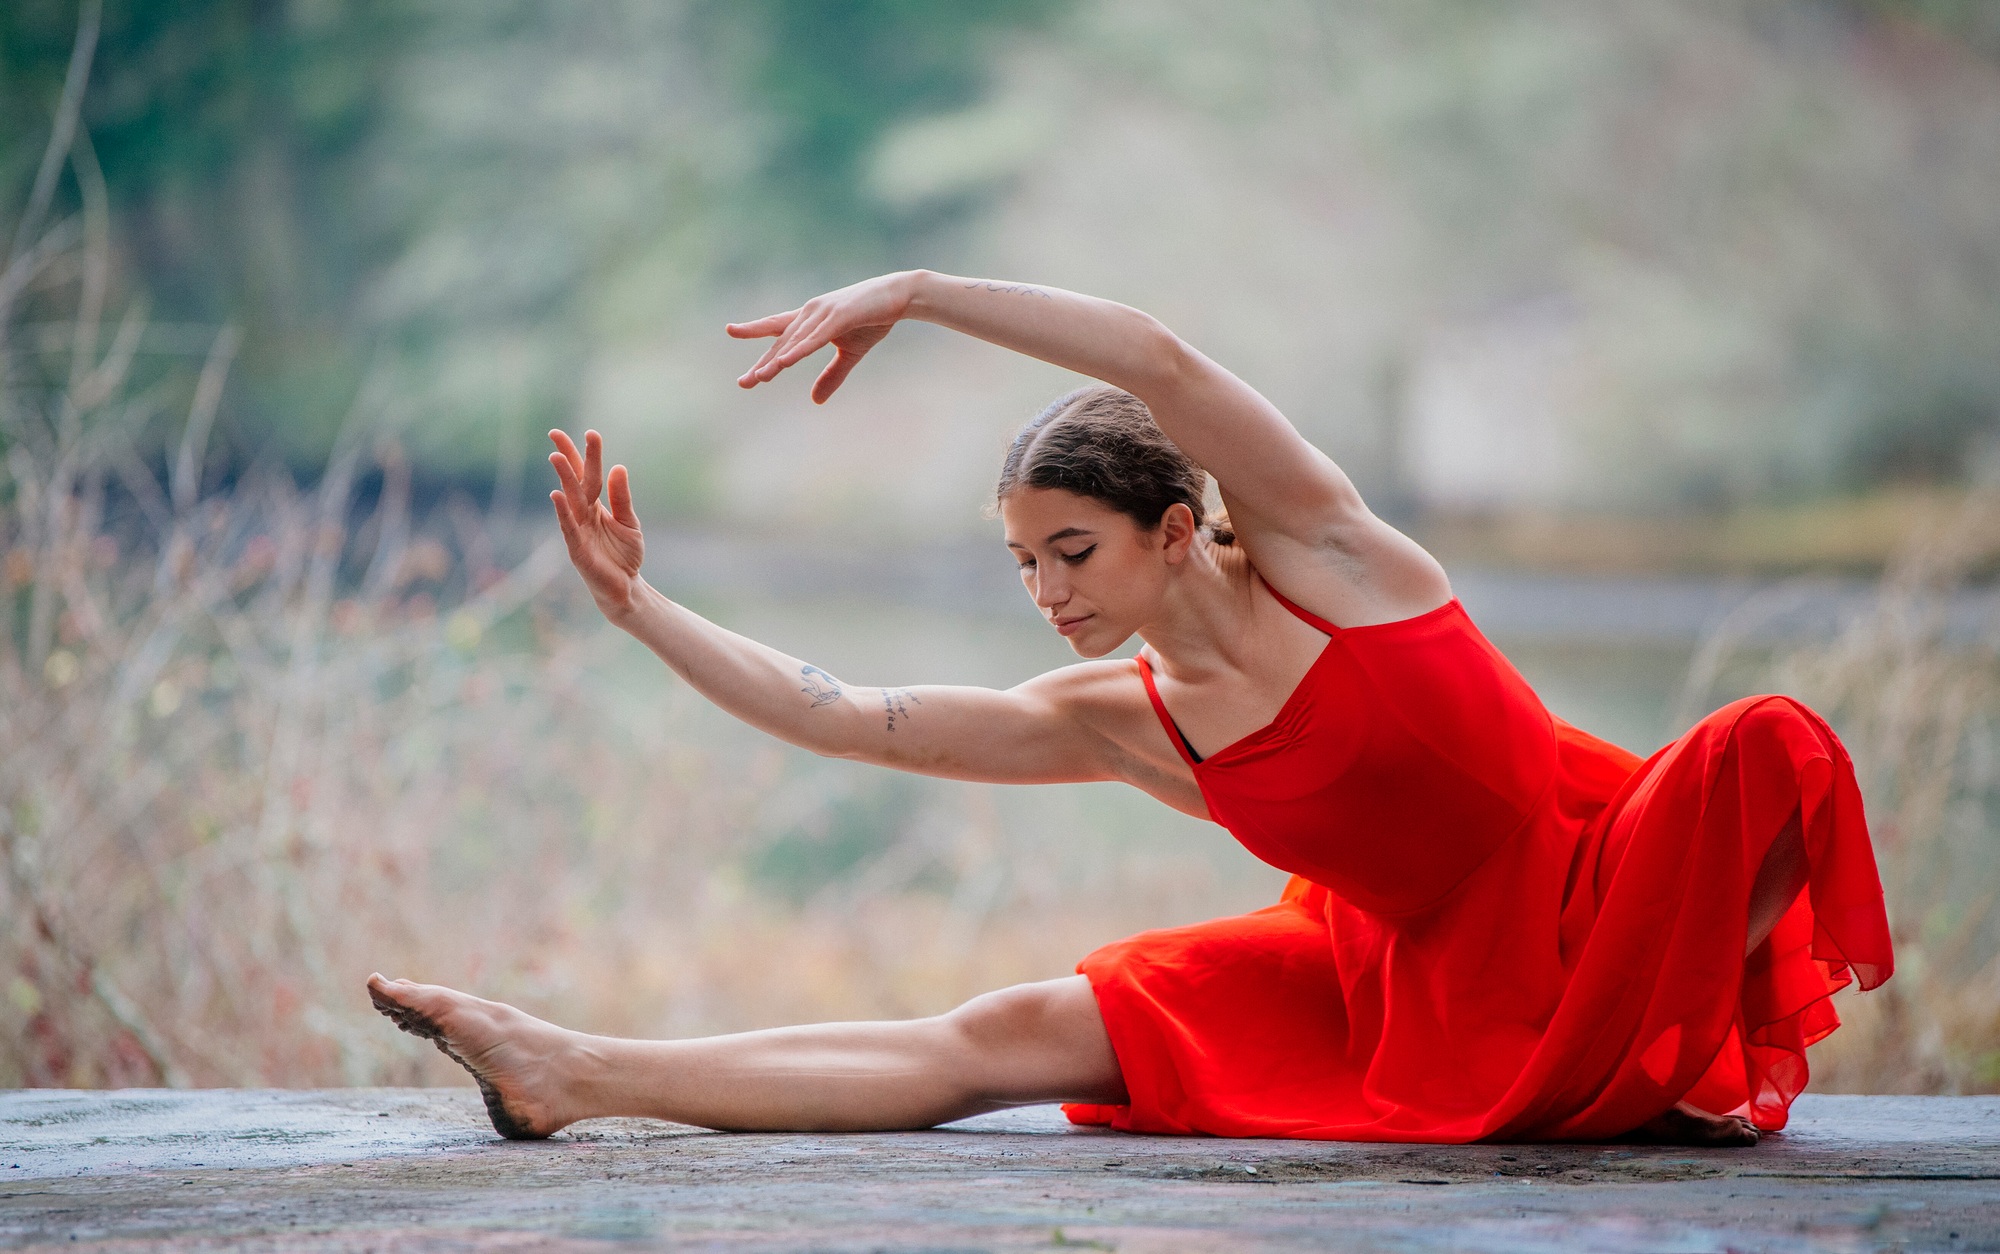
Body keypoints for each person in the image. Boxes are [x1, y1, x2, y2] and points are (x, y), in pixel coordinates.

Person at [368, 270, 1893, 1146]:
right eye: (1025, 562)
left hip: (1594, 887)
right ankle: (569, 1069)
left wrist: (919, 292)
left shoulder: (1337, 555)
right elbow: (847, 712)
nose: (1048, 591)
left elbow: (1159, 359)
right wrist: (641, 609)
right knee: (1001, 1031)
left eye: (1073, 550)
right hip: (1398, 976)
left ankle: (1642, 1050)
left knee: (1773, 743)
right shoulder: (1122, 716)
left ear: (1176, 525)